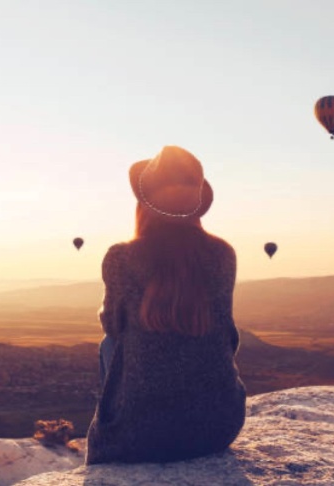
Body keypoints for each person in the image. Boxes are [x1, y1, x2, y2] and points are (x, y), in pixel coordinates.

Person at [86, 145, 246, 465]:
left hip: (138, 437)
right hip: (218, 426)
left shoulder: (121, 257)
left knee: (109, 344)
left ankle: (119, 417)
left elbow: (114, 326)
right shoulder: (223, 254)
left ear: (144, 204)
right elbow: (225, 331)